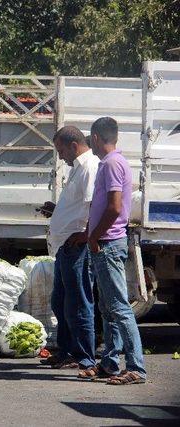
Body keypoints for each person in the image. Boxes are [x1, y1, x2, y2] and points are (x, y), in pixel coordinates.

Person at [87, 116, 146, 385]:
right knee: (107, 307)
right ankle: (110, 363)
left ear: (97, 138)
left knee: (119, 308)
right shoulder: (114, 162)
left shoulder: (111, 164)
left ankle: (136, 367)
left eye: (92, 140)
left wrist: (95, 236)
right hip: (107, 242)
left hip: (108, 243)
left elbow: (113, 206)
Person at [38, 126, 99, 373]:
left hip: (77, 247)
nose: (60, 156)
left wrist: (85, 235)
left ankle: (84, 356)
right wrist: (57, 210)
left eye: (61, 150)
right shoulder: (77, 169)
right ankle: (66, 351)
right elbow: (77, 206)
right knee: (60, 301)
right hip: (65, 246)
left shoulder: (89, 167)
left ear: (73, 145)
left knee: (78, 303)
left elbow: (94, 204)